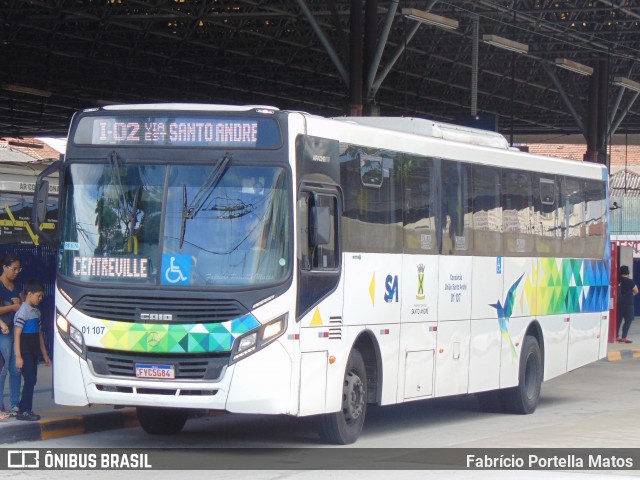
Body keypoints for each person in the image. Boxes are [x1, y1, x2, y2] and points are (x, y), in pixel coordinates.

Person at [14, 278, 50, 421]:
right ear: (29, 294)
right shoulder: (23, 311)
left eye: (42, 296)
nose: (40, 298)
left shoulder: (36, 312)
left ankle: (24, 407)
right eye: (38, 295)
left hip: (34, 351)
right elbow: (17, 333)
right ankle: (25, 410)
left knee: (32, 380)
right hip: (25, 351)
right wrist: (18, 355)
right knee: (30, 380)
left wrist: (45, 354)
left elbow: (39, 334)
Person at [0, 253, 23, 417]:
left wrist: (19, 305)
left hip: (16, 331)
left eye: (18, 269)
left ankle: (15, 404)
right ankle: (0, 405)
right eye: (13, 269)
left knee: (16, 369)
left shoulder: (17, 285)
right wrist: (12, 308)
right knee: (3, 368)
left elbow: (22, 307)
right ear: (4, 267)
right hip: (3, 331)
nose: (16, 272)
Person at [617, 265, 638, 344]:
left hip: (618, 303)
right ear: (627, 272)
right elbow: (636, 291)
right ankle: (624, 337)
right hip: (628, 304)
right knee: (628, 320)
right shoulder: (630, 281)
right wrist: (630, 295)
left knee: (618, 320)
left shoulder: (617, 280)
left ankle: (616, 336)